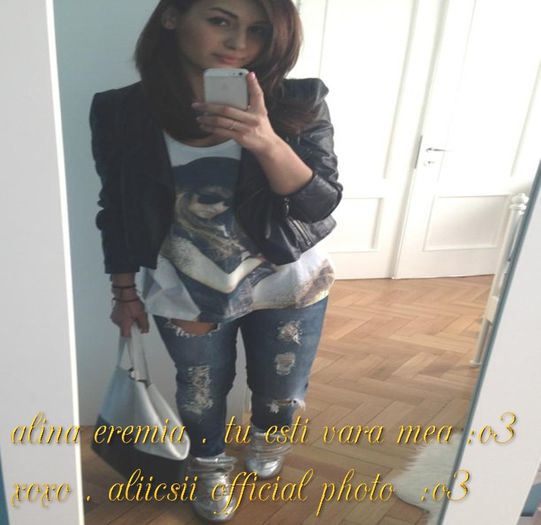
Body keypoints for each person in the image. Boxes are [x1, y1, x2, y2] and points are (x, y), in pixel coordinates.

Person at [90, 0, 342, 520]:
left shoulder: (299, 100)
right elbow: (115, 209)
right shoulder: (121, 111)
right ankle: (209, 465)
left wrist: (266, 140)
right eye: (220, 20)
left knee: (281, 385)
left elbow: (319, 203)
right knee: (201, 390)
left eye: (257, 30)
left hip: (289, 279)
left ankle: (268, 438)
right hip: (185, 282)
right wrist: (124, 291)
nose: (239, 43)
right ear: (172, 16)